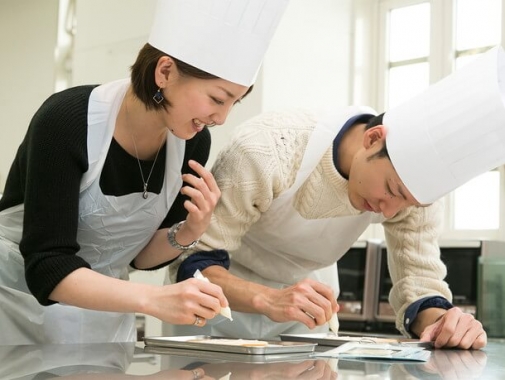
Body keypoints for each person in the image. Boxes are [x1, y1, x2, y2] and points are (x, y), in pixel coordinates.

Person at [166, 46, 505, 350]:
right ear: (373, 139)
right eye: (391, 190)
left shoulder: (414, 195)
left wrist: (443, 324)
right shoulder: (268, 148)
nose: (391, 210)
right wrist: (268, 298)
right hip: (211, 307)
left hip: (306, 316)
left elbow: (418, 283)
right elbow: (193, 259)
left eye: (408, 203)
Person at [0, 0, 289, 345]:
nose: (222, 117)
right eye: (217, 98)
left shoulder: (192, 142)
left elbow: (137, 257)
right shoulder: (67, 121)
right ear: (164, 72)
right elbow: (47, 265)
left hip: (100, 324)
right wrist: (154, 301)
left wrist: (189, 230)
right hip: (14, 313)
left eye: (233, 103)